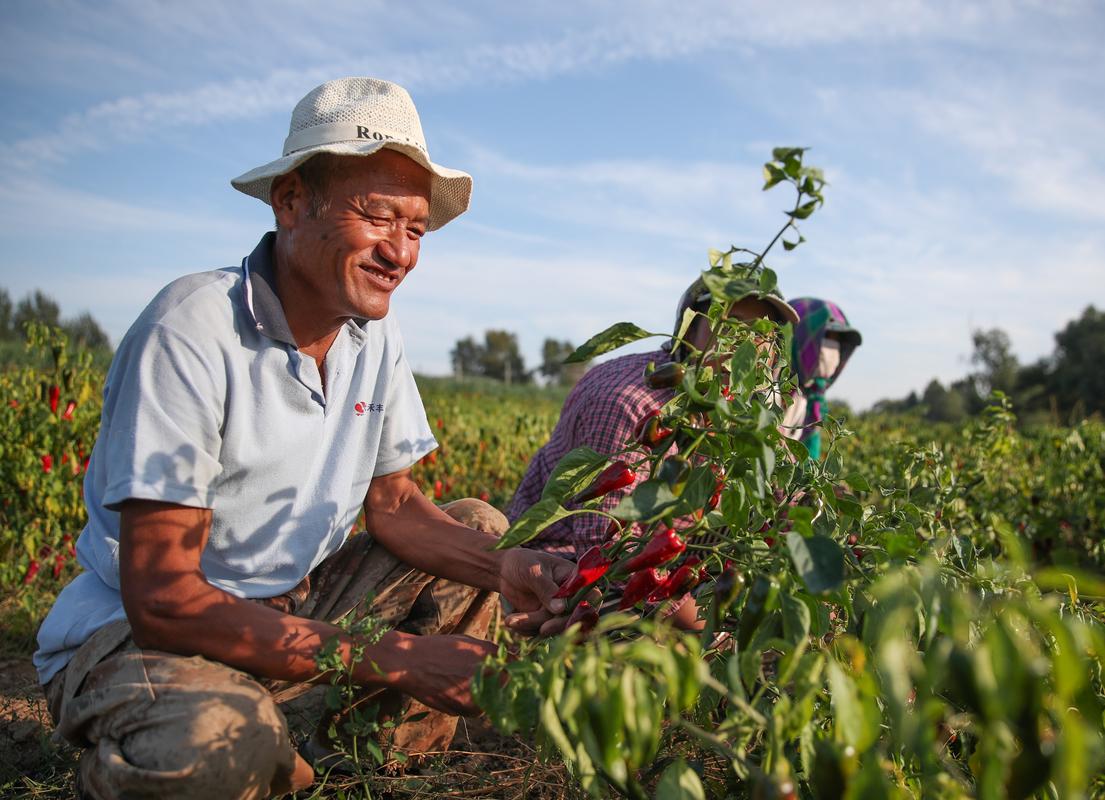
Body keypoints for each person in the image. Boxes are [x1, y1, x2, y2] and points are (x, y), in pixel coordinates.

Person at [33, 77, 575, 799]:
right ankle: (201, 754)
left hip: (289, 611)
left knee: (481, 527)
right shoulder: (191, 329)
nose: (400, 252)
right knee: (218, 747)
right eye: (378, 215)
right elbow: (163, 598)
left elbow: (394, 504)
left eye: (414, 229)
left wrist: (506, 566)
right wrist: (400, 658)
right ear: (292, 201)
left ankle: (367, 764)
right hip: (141, 638)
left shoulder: (372, 337)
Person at [506, 273, 798, 624]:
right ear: (689, 332)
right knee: (607, 618)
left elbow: (782, 508)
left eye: (760, 334)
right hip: (565, 570)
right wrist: (713, 636)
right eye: (730, 325)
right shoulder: (627, 401)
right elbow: (611, 552)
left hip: (673, 569)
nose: (744, 346)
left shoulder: (748, 410)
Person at [779, 298, 863, 459]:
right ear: (800, 335)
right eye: (827, 336)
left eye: (837, 340)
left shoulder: (809, 397)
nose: (832, 348)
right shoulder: (772, 391)